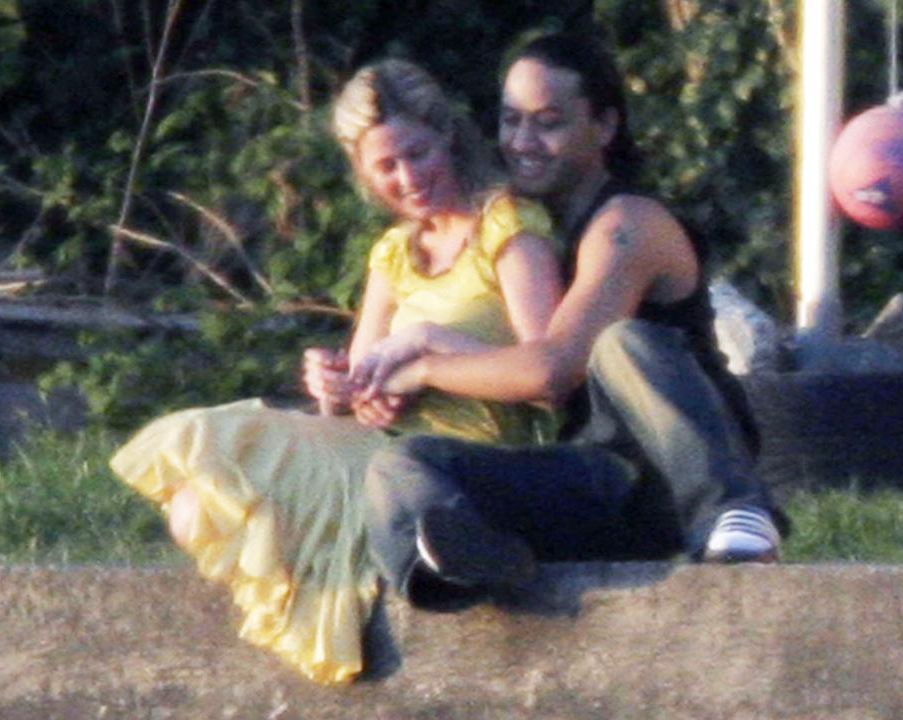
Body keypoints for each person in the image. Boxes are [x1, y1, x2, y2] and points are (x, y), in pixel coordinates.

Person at [109, 58, 564, 684]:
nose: (408, 178)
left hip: (461, 454)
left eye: (418, 154)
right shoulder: (393, 253)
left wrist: (429, 350)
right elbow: (355, 394)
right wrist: (338, 384)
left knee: (210, 495)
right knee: (193, 498)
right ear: (363, 172)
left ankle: (397, 548)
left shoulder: (508, 227)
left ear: (448, 139)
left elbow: (547, 370)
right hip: (374, 444)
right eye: (386, 166)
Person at [354, 33, 790, 609]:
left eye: (548, 122)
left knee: (620, 342)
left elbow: (552, 371)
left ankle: (735, 510)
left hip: (664, 475)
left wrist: (426, 360)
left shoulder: (628, 224)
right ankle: (458, 569)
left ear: (604, 127)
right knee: (402, 464)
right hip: (595, 481)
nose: (523, 142)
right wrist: (359, 381)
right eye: (511, 121)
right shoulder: (528, 230)